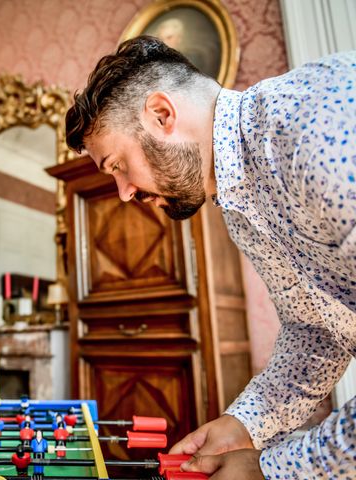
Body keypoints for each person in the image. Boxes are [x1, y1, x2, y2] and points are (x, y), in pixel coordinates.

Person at [65, 35, 356, 480]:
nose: (123, 194)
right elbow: (317, 330)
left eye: (117, 165)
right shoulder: (237, 207)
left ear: (162, 115)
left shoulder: (310, 128)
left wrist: (271, 469)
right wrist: (244, 424)